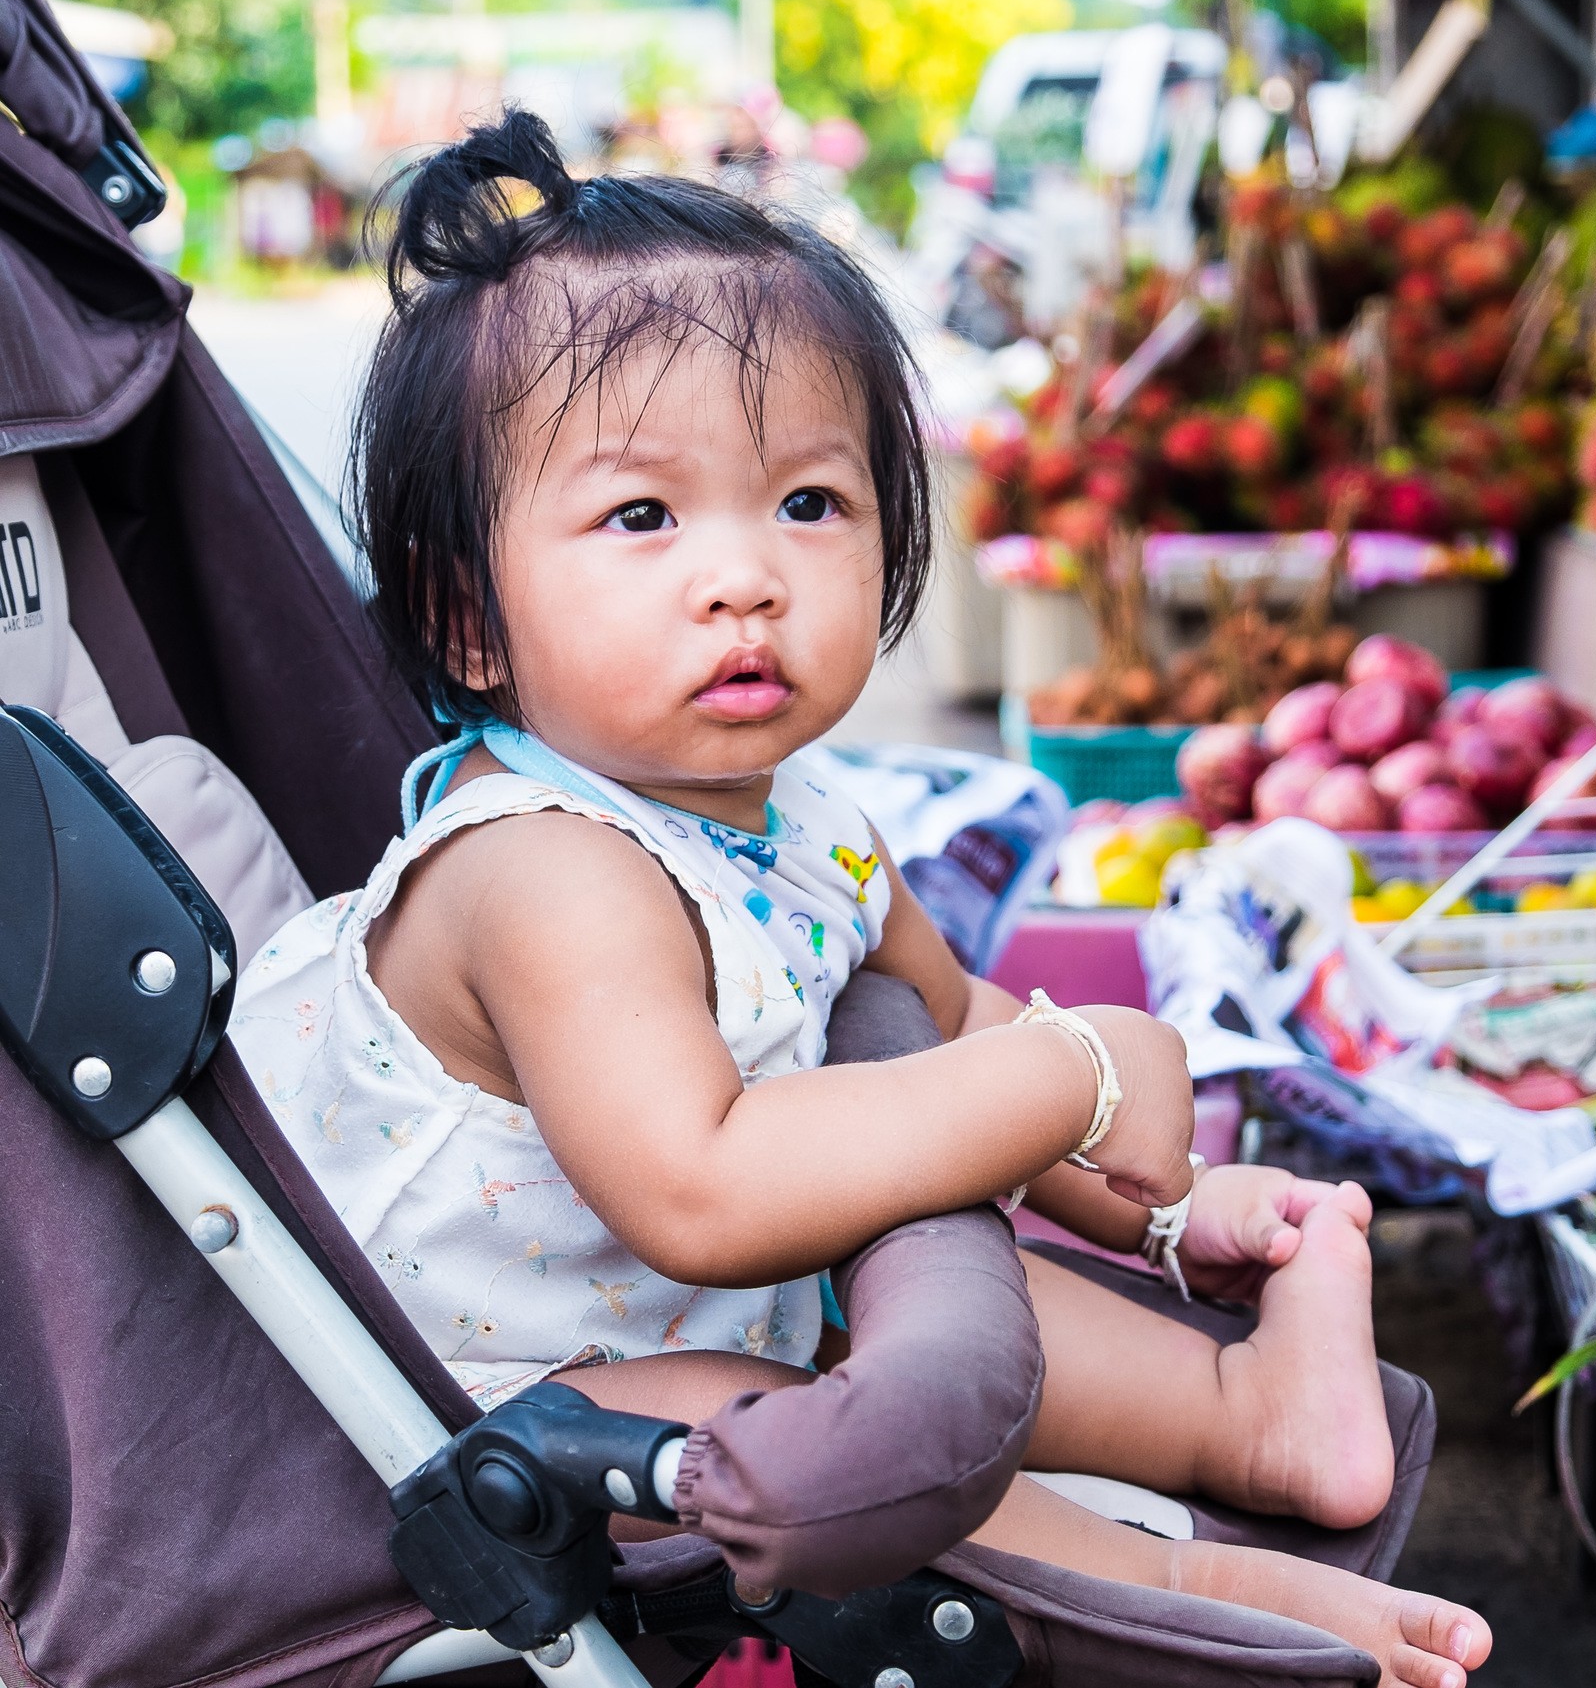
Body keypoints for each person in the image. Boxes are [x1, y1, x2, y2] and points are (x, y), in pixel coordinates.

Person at [231, 109, 1491, 1688]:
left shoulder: (806, 820)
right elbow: (703, 1183)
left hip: (726, 1297)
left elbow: (957, 1023)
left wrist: (1163, 1204)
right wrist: (1070, 1072)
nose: (745, 574)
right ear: (465, 616)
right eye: (645, 516)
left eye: (808, 504)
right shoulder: (540, 868)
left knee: (942, 1287)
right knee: (799, 1406)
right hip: (470, 1386)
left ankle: (1254, 1413)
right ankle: (1204, 1591)